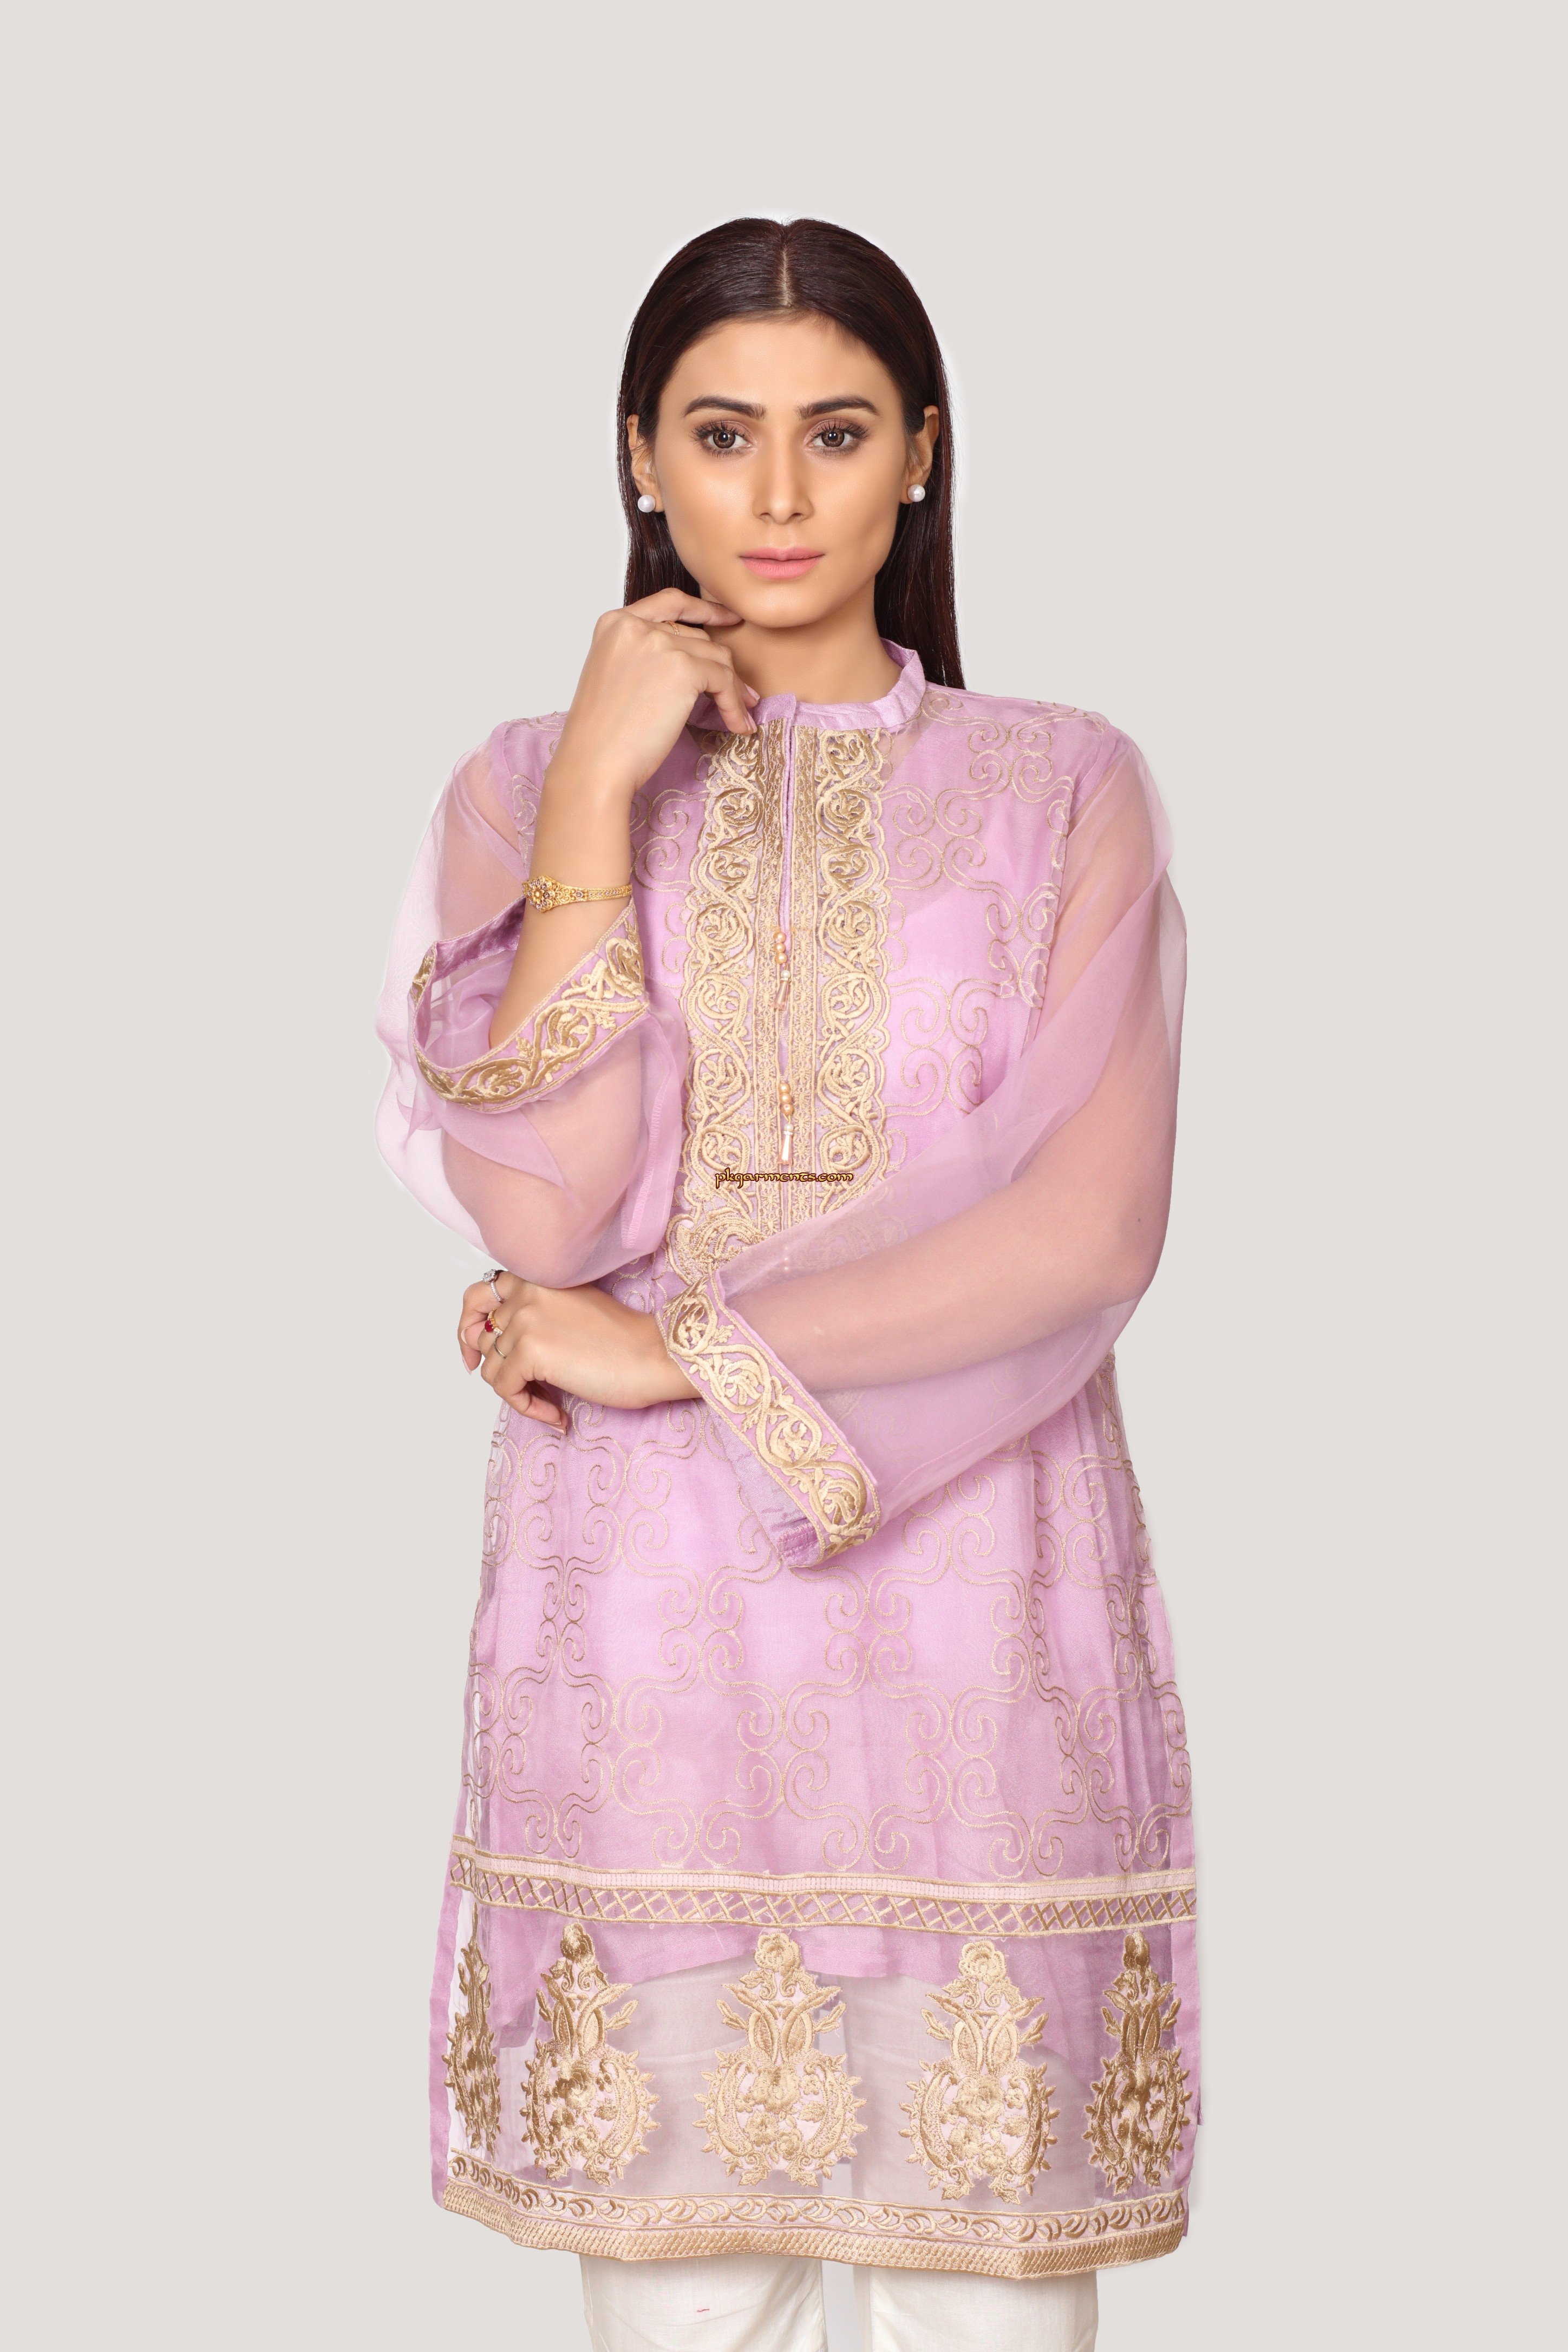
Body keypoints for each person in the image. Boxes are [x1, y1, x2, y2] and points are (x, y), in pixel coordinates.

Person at [377, 216, 1192, 2352]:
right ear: (638, 457)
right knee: (687, 2302)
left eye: (835, 434)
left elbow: (1088, 1227)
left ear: (921, 454)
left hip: (978, 1596)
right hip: (644, 1628)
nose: (777, 494)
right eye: (720, 434)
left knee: (989, 2304)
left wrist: (674, 1353)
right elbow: (546, 1216)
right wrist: (595, 783)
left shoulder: (1059, 789)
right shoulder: (517, 786)